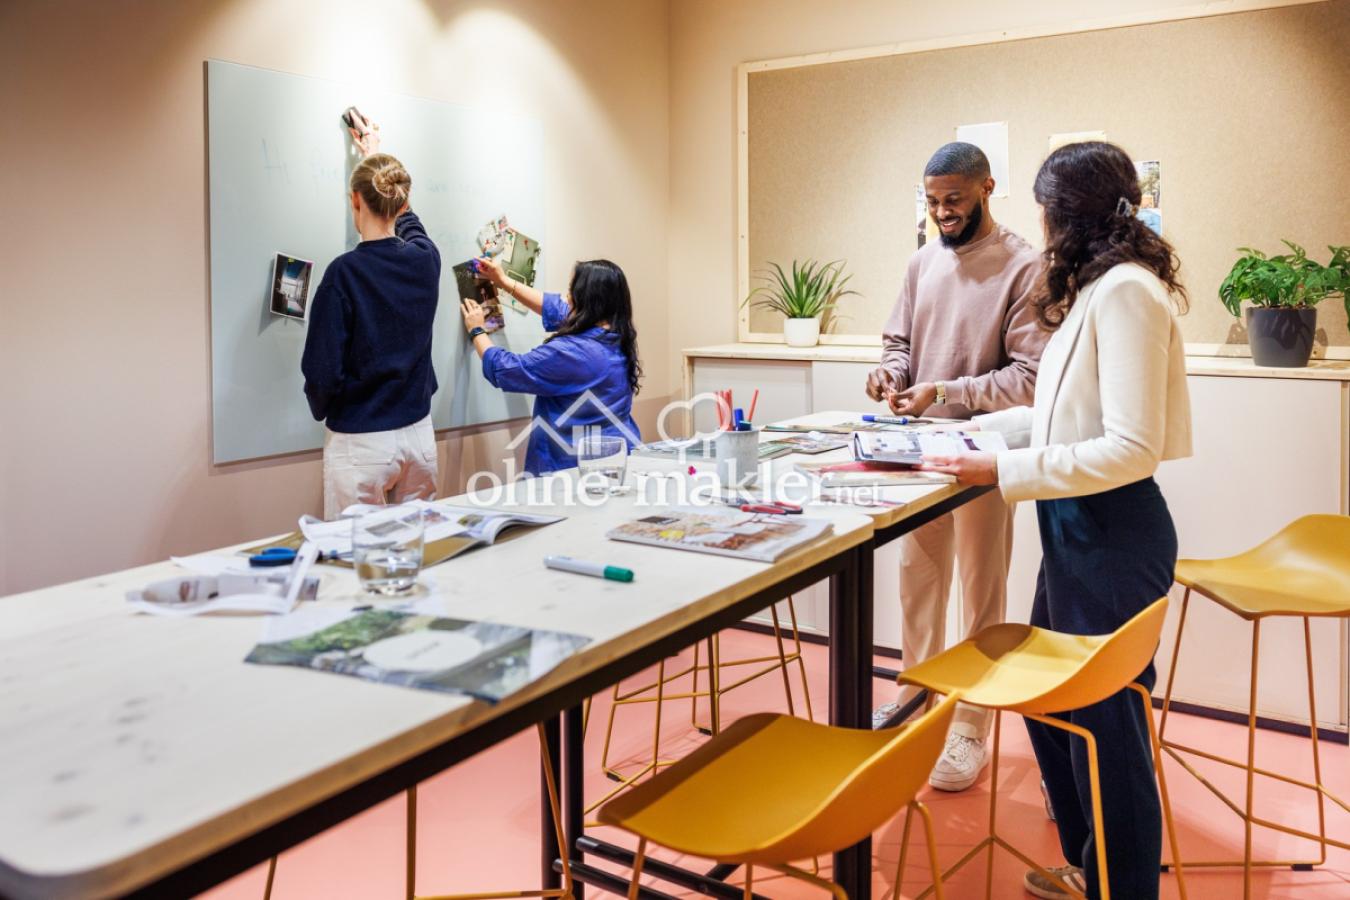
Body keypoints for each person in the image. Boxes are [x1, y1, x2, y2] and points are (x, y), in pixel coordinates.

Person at [921, 141, 1193, 900]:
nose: (1039, 225)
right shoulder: (1102, 288)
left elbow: (1130, 447)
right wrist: (968, 438)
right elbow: (1060, 415)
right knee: (1052, 703)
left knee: (1109, 734)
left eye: (1045, 209)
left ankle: (1123, 884)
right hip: (1076, 533)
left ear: (1064, 212)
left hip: (1113, 534)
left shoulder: (1128, 292)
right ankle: (1090, 864)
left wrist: (1001, 471)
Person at [865, 142, 1047, 792]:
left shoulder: (1026, 265)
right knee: (917, 582)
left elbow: (1029, 379)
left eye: (954, 201)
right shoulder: (922, 262)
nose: (943, 213)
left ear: (987, 188)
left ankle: (971, 728)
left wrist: (943, 391)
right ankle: (916, 702)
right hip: (919, 451)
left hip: (985, 457)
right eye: (934, 202)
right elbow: (899, 343)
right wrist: (890, 372)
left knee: (982, 591)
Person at [301, 114, 441, 519]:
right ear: (400, 201)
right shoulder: (424, 259)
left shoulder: (343, 273)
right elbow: (412, 225)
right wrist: (376, 157)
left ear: (355, 200)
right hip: (419, 436)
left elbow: (321, 371)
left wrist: (325, 409)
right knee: (418, 549)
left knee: (353, 557)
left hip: (361, 439)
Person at [460, 258, 641, 475]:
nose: (567, 298)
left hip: (571, 470)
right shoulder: (616, 335)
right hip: (619, 459)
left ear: (585, 299)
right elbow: (556, 308)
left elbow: (507, 369)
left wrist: (477, 331)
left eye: (570, 291)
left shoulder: (571, 352)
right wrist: (503, 281)